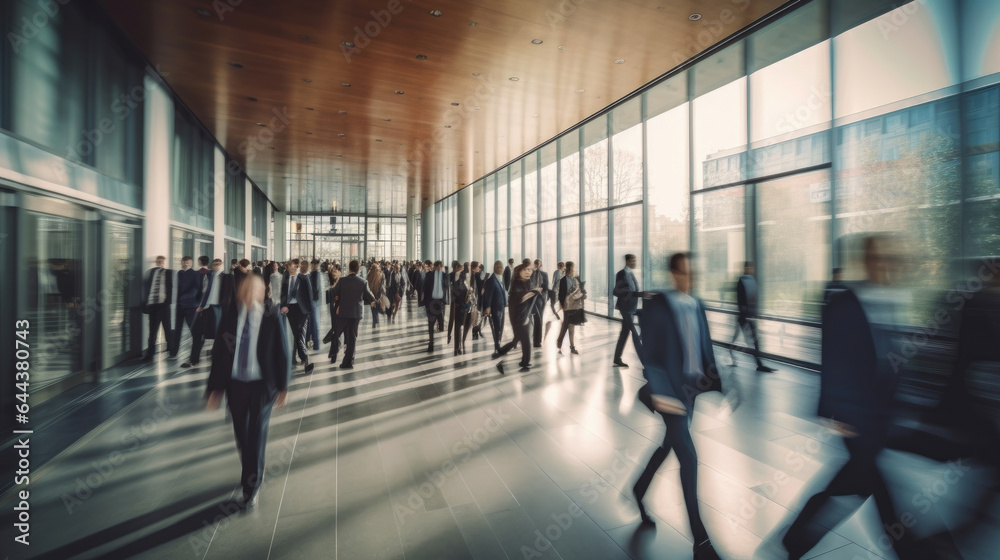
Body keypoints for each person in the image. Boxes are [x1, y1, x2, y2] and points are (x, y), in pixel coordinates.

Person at [767, 235, 924, 560]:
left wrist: (902, 406)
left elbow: (893, 361)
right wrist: (837, 411)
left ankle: (795, 538)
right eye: (880, 258)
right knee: (879, 489)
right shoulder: (845, 303)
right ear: (866, 261)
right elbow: (834, 359)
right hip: (856, 416)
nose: (887, 265)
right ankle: (909, 550)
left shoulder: (891, 299)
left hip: (880, 414)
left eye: (890, 259)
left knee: (856, 482)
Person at [632, 252, 723, 560]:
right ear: (673, 273)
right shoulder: (659, 307)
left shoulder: (697, 305)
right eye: (683, 273)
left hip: (689, 392)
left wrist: (718, 383)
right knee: (689, 457)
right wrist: (659, 390)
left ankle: (639, 489)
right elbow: (649, 352)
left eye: (692, 272)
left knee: (670, 445)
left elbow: (703, 348)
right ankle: (701, 540)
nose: (689, 278)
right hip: (668, 393)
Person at [205, 274, 290, 509]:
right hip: (236, 384)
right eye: (246, 289)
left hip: (263, 385)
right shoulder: (230, 315)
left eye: (256, 289)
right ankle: (250, 469)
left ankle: (251, 485)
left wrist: (283, 386)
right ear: (240, 291)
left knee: (255, 434)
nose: (251, 293)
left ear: (263, 292)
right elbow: (220, 354)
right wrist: (215, 389)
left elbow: (282, 352)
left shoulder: (271, 316)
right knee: (242, 435)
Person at [184, 258, 233, 368]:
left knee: (218, 331)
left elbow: (228, 293)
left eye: (218, 264)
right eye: (214, 264)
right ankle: (194, 358)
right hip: (206, 307)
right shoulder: (208, 275)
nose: (216, 265)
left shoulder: (226, 276)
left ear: (221, 264)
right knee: (200, 332)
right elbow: (202, 290)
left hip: (219, 306)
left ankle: (218, 354)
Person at [329, 260, 376, 369]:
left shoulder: (342, 281)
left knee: (337, 333)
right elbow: (370, 297)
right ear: (358, 269)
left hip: (343, 313)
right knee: (352, 337)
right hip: (356, 314)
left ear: (349, 268)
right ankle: (348, 362)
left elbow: (334, 292)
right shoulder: (363, 282)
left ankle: (334, 352)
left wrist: (338, 298)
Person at [732, 261, 776, 372]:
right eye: (749, 267)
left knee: (751, 340)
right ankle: (735, 357)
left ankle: (759, 364)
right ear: (745, 268)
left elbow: (754, 298)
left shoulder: (751, 280)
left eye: (752, 267)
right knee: (743, 340)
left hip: (749, 316)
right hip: (744, 317)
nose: (751, 269)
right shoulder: (742, 281)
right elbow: (740, 299)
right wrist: (745, 313)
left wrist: (756, 315)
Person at [497, 264, 542, 371]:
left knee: (518, 337)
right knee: (525, 338)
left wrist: (534, 291)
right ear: (519, 272)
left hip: (525, 312)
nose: (529, 272)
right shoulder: (515, 283)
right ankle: (525, 362)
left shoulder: (527, 282)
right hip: (517, 314)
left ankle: (502, 350)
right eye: (526, 270)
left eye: (530, 270)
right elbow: (521, 298)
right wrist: (534, 291)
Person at [280, 258, 314, 374]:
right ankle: (300, 358)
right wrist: (283, 306)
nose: (294, 267)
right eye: (293, 265)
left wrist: (309, 311)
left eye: (296, 265)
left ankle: (305, 359)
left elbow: (310, 294)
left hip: (302, 310)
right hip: (290, 309)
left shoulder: (303, 278)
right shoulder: (285, 277)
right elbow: (283, 293)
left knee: (299, 332)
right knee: (296, 333)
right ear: (288, 266)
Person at [613, 254, 644, 368]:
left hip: (631, 307)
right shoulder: (621, 274)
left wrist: (640, 294)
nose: (635, 262)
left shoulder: (630, 273)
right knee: (635, 334)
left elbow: (633, 290)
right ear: (627, 261)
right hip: (625, 308)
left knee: (624, 333)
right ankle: (645, 360)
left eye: (635, 260)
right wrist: (639, 294)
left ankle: (617, 358)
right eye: (633, 260)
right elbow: (617, 291)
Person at [141, 255, 174, 360]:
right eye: (158, 261)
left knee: (167, 329)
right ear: (156, 262)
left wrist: (168, 301)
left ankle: (171, 351)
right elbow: (145, 288)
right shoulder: (150, 273)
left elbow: (173, 287)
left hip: (164, 305)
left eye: (161, 261)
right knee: (152, 331)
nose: (160, 262)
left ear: (164, 262)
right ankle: (149, 354)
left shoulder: (169, 273)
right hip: (153, 306)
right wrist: (144, 303)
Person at [169, 256, 201, 361]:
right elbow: (174, 289)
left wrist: (197, 303)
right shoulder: (178, 273)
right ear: (181, 262)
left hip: (190, 306)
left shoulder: (195, 274)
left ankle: (194, 355)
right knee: (176, 330)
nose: (186, 263)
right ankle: (173, 353)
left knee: (193, 330)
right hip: (179, 306)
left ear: (191, 263)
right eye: (184, 262)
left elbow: (199, 289)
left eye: (188, 262)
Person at [556, 262, 585, 355]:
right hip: (567, 305)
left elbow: (580, 290)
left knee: (571, 326)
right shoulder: (563, 280)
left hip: (575, 305)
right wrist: (563, 304)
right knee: (566, 326)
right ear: (570, 268)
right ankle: (559, 344)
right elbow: (561, 294)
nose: (574, 269)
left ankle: (571, 347)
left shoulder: (576, 279)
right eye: (573, 267)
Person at [483, 261, 508, 358]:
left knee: (500, 327)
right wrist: (488, 307)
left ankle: (499, 345)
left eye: (501, 267)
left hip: (501, 307)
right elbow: (488, 295)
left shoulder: (501, 279)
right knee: (497, 327)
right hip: (495, 307)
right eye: (497, 267)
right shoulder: (491, 280)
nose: (500, 269)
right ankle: (497, 347)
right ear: (494, 268)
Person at [421, 261, 447, 353]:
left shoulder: (444, 275)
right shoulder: (429, 275)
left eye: (441, 266)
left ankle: (439, 331)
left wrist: (445, 301)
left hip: (440, 302)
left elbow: (446, 288)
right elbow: (425, 288)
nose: (439, 268)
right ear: (435, 267)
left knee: (440, 322)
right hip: (431, 302)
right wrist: (425, 302)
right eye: (438, 266)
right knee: (431, 323)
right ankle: (431, 342)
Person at [448, 261, 472, 356]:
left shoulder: (465, 276)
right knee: (459, 325)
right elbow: (456, 290)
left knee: (460, 325)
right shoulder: (459, 276)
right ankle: (458, 346)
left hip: (462, 304)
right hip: (459, 304)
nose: (465, 268)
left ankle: (458, 346)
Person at [530, 260, 549, 348]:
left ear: (541, 265)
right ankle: (531, 340)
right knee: (533, 319)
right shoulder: (530, 273)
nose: (537, 265)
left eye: (538, 263)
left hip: (540, 299)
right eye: (536, 263)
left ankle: (537, 341)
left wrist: (541, 292)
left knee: (539, 319)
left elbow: (546, 287)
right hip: (531, 298)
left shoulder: (544, 274)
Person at [308, 258, 322, 349]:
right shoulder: (315, 274)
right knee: (314, 322)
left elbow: (315, 288)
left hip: (314, 300)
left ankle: (316, 343)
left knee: (314, 322)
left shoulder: (315, 274)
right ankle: (315, 343)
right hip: (315, 300)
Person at [367, 263, 385, 330]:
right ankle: (376, 321)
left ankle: (375, 321)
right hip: (378, 294)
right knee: (377, 307)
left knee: (373, 308)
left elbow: (367, 285)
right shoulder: (381, 275)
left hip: (371, 295)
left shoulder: (369, 275)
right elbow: (382, 286)